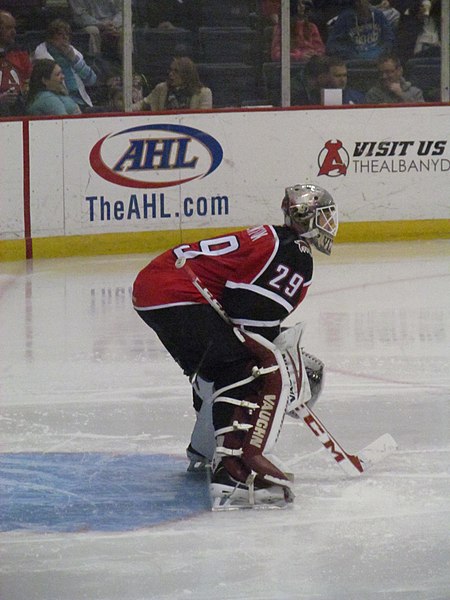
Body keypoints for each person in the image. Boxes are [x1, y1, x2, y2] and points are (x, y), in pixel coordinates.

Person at [132, 183, 339, 508]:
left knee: (222, 364)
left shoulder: (276, 239)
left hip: (159, 286)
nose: (329, 225)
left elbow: (241, 309)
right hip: (177, 291)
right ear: (307, 218)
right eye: (323, 217)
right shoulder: (294, 252)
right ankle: (234, 472)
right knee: (252, 368)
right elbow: (248, 313)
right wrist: (283, 358)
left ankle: (207, 451)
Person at [33, 19, 97, 111]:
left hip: (81, 102)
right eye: (60, 34)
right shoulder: (42, 56)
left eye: (67, 34)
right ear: (50, 38)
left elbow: (92, 80)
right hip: (59, 102)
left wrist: (74, 60)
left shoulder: (74, 53)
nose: (65, 38)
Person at [131, 56, 212, 111]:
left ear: (186, 74)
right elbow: (142, 104)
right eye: (170, 70)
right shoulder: (161, 88)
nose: (170, 74)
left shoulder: (204, 93)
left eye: (176, 71)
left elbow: (204, 119)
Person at [326, 0, 395, 60]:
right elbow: (332, 46)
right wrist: (352, 54)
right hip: (353, 62)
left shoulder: (378, 15)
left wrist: (382, 51)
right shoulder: (345, 18)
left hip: (379, 60)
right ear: (356, 3)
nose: (363, 4)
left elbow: (389, 38)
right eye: (359, 1)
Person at [0, 10, 32, 116]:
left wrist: (26, 89)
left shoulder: (21, 52)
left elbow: (29, 79)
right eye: (8, 28)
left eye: (14, 28)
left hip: (19, 105)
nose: (14, 32)